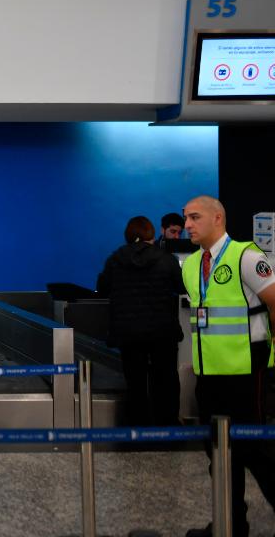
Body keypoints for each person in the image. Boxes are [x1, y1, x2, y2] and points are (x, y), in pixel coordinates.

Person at [181, 195, 275, 537]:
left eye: (195, 217)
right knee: (219, 455)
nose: (187, 225)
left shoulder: (246, 257)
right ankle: (231, 525)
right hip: (209, 375)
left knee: (256, 452)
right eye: (186, 218)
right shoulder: (191, 264)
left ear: (217, 218)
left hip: (247, 373)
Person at [96, 216, 184, 426]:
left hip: (128, 332)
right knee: (167, 379)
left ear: (128, 235)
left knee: (135, 382)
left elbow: (102, 288)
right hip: (163, 331)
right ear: (152, 236)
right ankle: (168, 426)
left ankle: (139, 426)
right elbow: (181, 287)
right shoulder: (166, 258)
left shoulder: (115, 259)